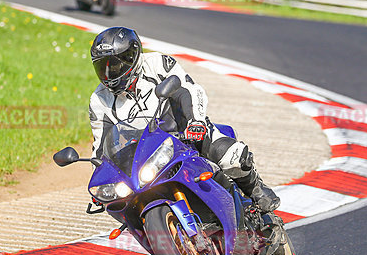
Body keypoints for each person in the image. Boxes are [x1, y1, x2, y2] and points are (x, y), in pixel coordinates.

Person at [88, 26, 285, 243]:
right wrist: (102, 179)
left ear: (132, 55)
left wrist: (196, 121)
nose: (110, 73)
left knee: (229, 155)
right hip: (147, 152)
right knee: (125, 199)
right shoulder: (98, 100)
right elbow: (100, 144)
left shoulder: (157, 63)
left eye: (115, 64)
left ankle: (256, 189)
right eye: (102, 67)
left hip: (184, 130)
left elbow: (189, 90)